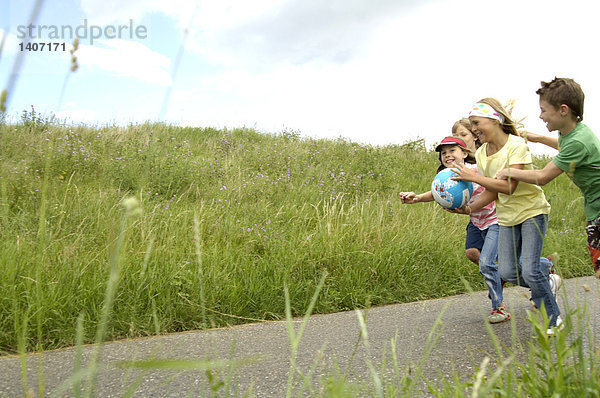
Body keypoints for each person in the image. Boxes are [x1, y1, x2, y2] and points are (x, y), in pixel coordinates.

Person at [452, 98, 563, 336]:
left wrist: (473, 179)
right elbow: (492, 191)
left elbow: (509, 187)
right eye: (472, 124)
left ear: (495, 120)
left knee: (530, 269)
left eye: (476, 122)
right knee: (509, 272)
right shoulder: (481, 153)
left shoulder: (516, 146)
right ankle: (547, 280)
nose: (473, 129)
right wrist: (470, 209)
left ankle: (554, 319)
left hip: (532, 211)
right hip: (507, 217)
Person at [496, 77, 600, 277]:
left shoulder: (578, 141)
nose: (541, 115)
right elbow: (566, 147)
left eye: (543, 110)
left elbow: (543, 176)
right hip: (594, 208)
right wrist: (538, 138)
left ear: (563, 110)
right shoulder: (572, 132)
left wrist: (509, 171)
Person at [400, 136, 509, 323]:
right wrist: (416, 197)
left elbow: (494, 187)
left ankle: (498, 307)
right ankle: (543, 266)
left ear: (465, 153)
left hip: (495, 220)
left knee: (487, 262)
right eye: (443, 153)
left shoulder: (476, 170)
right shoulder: (446, 175)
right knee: (477, 255)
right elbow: (437, 192)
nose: (447, 155)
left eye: (452, 150)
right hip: (477, 222)